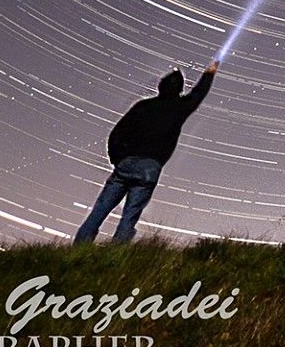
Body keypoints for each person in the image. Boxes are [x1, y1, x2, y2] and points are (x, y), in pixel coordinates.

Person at [74, 61, 217, 243]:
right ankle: (115, 255)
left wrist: (117, 158)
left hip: (126, 163)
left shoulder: (142, 106)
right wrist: (209, 73)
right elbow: (198, 94)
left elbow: (118, 132)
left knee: (99, 210)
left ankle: (79, 248)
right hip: (149, 167)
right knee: (130, 216)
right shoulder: (179, 108)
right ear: (179, 89)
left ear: (160, 86)